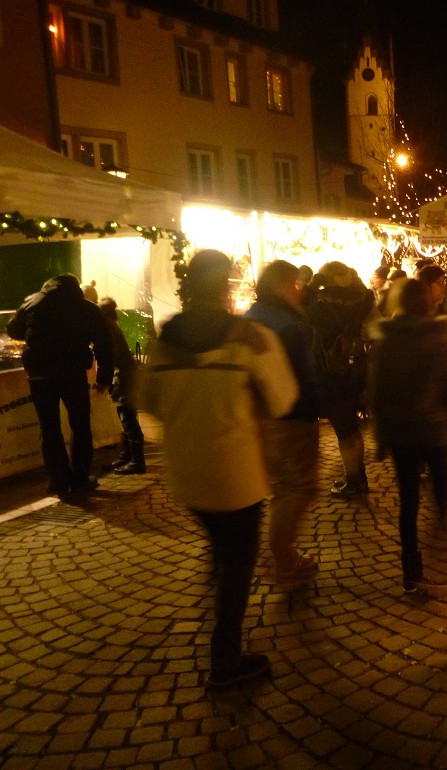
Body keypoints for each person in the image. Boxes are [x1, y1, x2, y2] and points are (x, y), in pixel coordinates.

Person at [138, 249, 299, 689]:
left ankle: (217, 584)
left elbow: (147, 402)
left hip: (187, 475)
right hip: (237, 475)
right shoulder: (248, 336)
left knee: (221, 548)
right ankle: (225, 660)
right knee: (237, 567)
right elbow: (284, 399)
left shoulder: (164, 339)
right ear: (226, 284)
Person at [369, 278, 447, 591]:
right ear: (428, 302)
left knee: (408, 502)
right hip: (432, 428)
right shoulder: (439, 335)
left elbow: (377, 390)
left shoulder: (388, 337)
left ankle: (411, 570)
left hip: (400, 431)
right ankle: (442, 542)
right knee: (442, 490)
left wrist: (381, 437)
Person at [246, 260, 321, 586]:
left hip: (260, 417)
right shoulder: (290, 326)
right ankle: (284, 557)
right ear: (281, 285)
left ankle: (281, 554)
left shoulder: (249, 319)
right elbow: (305, 378)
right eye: (294, 283)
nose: (299, 289)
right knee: (297, 487)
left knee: (283, 487)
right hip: (291, 418)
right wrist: (316, 409)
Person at [7, 274, 113, 501]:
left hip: (40, 375)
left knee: (49, 429)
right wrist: (104, 377)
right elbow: (104, 343)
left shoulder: (32, 301)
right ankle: (80, 479)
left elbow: (13, 330)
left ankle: (59, 481)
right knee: (80, 425)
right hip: (72, 373)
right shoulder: (86, 308)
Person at [308, 261, 375, 498]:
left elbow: (306, 308)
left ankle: (354, 480)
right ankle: (360, 476)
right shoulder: (364, 298)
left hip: (332, 370)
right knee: (353, 427)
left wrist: (315, 282)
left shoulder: (320, 301)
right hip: (356, 365)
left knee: (344, 429)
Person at [98, 297, 145, 475]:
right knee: (124, 417)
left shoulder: (107, 326)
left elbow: (112, 354)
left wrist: (109, 378)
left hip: (124, 375)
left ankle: (137, 462)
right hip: (126, 374)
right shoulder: (112, 324)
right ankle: (127, 456)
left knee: (128, 418)